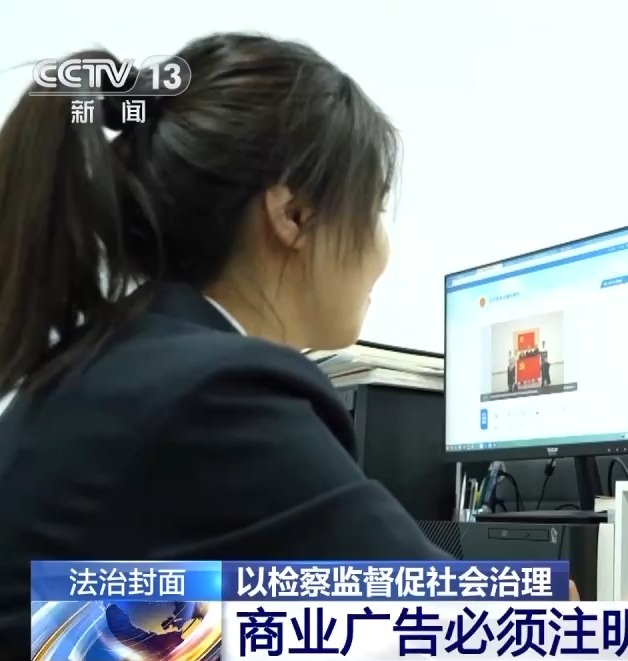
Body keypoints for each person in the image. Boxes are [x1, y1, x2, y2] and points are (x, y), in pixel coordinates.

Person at [0, 35, 590, 649]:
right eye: (374, 208)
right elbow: (443, 619)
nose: (382, 249)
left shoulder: (119, 358)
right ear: (294, 214)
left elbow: (169, 618)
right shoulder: (217, 393)